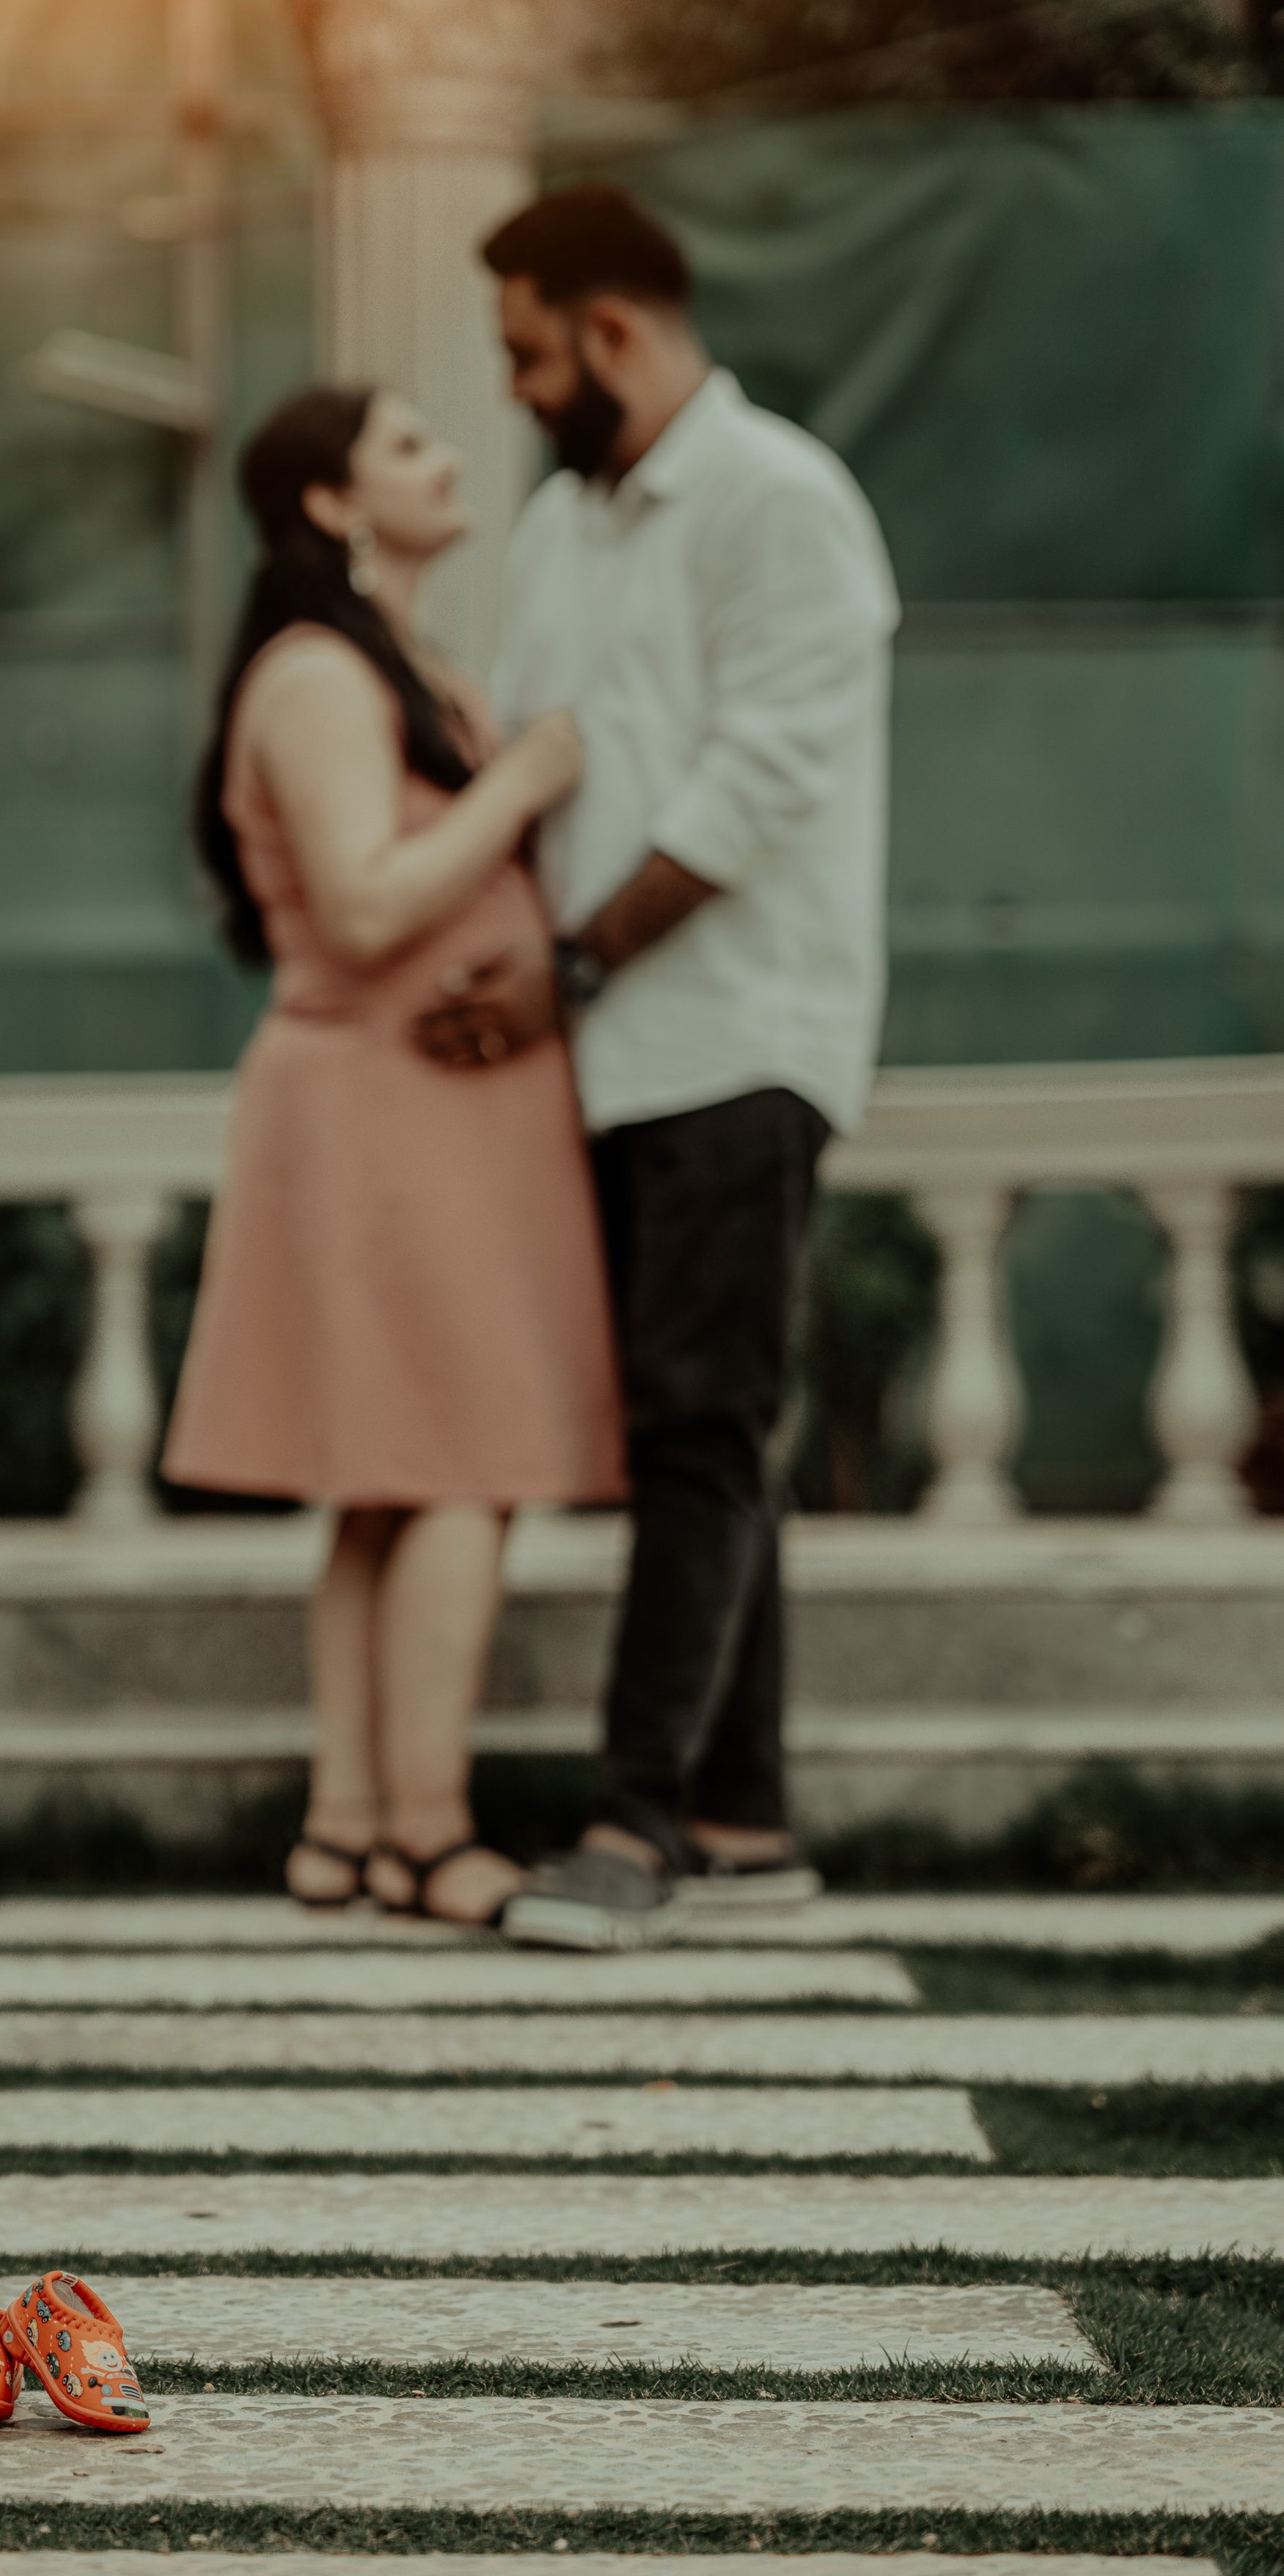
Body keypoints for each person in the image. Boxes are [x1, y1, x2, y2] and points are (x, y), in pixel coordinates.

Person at [415, 185, 900, 1953]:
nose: (518, 389)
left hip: (737, 1035)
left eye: (527, 353)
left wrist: (572, 965)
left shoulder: (783, 502)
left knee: (694, 1425)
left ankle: (630, 1831)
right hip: (604, 1048)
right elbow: (540, 762)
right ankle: (742, 1810)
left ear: (611, 330)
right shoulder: (559, 527)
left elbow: (755, 786)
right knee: (703, 1422)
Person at [162, 382, 625, 1931]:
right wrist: (524, 780)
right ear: (331, 505)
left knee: (390, 1479)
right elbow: (361, 909)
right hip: (383, 1104)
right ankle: (426, 1833)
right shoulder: (311, 674)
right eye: (408, 446)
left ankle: (346, 1828)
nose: (447, 461)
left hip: (430, 1109)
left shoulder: (395, 663)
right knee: (455, 1463)